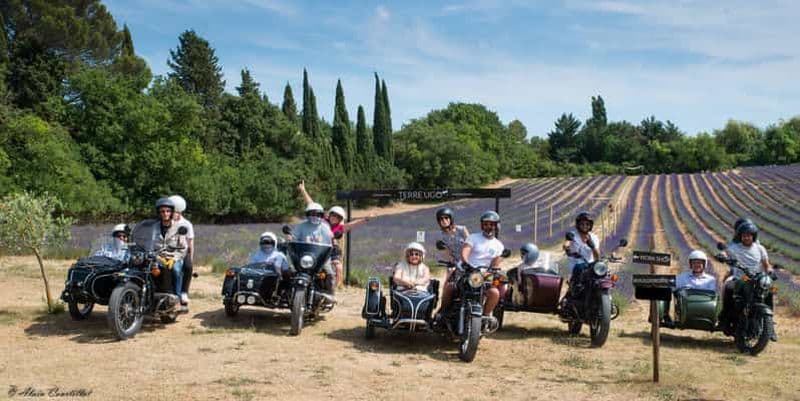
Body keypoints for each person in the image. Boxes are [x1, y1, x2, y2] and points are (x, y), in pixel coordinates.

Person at [298, 181, 371, 288]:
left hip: (329, 249)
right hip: (315, 246)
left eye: (338, 217)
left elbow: (352, 224)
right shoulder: (321, 220)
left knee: (338, 267)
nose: (334, 218)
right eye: (333, 215)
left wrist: (365, 219)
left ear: (340, 219)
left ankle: (335, 288)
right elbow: (311, 204)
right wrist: (303, 190)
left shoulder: (339, 228)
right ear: (330, 214)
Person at [437, 211, 504, 326]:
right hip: (468, 271)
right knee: (450, 287)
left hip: (484, 276)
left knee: (494, 293)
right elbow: (465, 252)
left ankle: (485, 317)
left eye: (491, 224)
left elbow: (495, 263)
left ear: (497, 226)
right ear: (482, 225)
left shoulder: (499, 245)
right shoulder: (473, 238)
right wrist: (466, 263)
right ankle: (443, 313)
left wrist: (492, 270)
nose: (489, 227)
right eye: (486, 224)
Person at [719, 221, 774, 339]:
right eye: (744, 235)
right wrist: (722, 255)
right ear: (740, 236)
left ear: (753, 236)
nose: (746, 237)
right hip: (742, 277)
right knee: (729, 288)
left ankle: (770, 326)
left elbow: (766, 264)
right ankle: (724, 317)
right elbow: (725, 251)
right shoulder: (735, 248)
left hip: (757, 278)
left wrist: (769, 271)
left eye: (749, 235)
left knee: (771, 291)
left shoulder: (760, 248)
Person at [292, 202, 336, 297]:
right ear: (308, 215)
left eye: (318, 214)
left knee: (329, 272)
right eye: (312, 214)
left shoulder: (325, 227)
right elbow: (294, 238)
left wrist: (334, 242)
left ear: (321, 215)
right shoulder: (301, 226)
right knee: (290, 270)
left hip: (320, 257)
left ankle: (330, 294)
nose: (315, 216)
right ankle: (288, 292)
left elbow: (331, 239)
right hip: (304, 257)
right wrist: (289, 238)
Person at [153, 197, 189, 309]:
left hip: (174, 257)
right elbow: (148, 243)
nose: (165, 214)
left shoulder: (179, 228)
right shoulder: (153, 227)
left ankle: (177, 297)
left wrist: (174, 259)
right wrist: (157, 257)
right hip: (158, 257)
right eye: (162, 211)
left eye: (168, 211)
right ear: (159, 213)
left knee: (176, 270)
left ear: (172, 212)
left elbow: (183, 248)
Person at [169, 195, 195, 308]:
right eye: (172, 211)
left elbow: (190, 243)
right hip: (167, 251)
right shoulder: (166, 222)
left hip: (182, 252)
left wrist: (190, 257)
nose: (173, 214)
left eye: (176, 212)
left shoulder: (187, 224)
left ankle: (182, 293)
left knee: (185, 268)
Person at [562, 211, 600, 285]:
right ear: (578, 225)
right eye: (582, 224)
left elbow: (597, 257)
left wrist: (592, 246)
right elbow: (566, 244)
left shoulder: (594, 237)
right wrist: (567, 249)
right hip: (576, 265)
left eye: (587, 224)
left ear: (590, 225)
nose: (584, 226)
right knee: (579, 274)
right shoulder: (572, 235)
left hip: (590, 266)